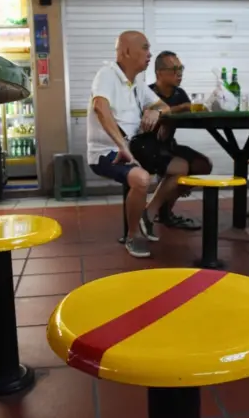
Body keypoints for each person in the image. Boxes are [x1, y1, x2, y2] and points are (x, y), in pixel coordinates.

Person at [87, 31, 188, 258]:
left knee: (181, 167)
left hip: (133, 149)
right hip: (107, 152)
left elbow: (165, 107)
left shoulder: (137, 84)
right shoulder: (107, 75)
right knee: (141, 178)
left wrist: (154, 109)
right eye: (145, 47)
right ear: (126, 51)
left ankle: (147, 216)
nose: (150, 54)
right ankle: (133, 236)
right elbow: (100, 108)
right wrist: (120, 144)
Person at [149, 51, 213, 230]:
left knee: (203, 165)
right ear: (159, 72)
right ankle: (160, 213)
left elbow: (191, 115)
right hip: (149, 147)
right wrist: (182, 108)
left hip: (169, 145)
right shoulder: (148, 93)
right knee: (181, 166)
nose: (180, 73)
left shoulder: (180, 93)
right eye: (174, 69)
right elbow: (147, 117)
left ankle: (165, 210)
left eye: (181, 68)